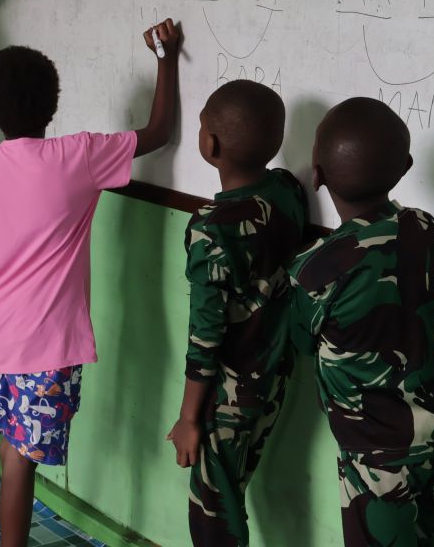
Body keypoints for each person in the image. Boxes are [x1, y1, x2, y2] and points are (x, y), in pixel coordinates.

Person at [0, 21, 181, 547]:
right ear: (52, 107)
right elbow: (159, 132)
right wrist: (166, 58)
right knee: (18, 459)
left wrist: (7, 262)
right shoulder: (79, 155)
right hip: (48, 347)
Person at [289, 98, 434, 547]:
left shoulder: (315, 270)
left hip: (375, 453)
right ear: (405, 167)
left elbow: (302, 340)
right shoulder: (428, 230)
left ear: (318, 175)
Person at [165, 80, 308, 547]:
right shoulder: (287, 190)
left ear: (210, 143)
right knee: (233, 484)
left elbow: (205, 334)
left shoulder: (211, 229)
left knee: (213, 508)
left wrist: (189, 418)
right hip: (275, 373)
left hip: (229, 391)